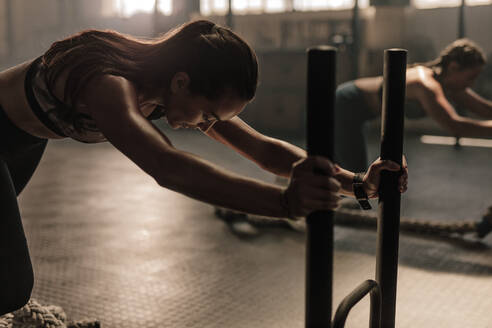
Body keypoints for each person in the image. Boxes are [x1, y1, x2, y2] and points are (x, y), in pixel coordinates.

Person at [0, 19, 408, 315]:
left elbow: (263, 150)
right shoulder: (111, 86)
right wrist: (283, 204)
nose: (204, 124)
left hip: (23, 142)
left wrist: (356, 183)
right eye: (207, 113)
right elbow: (166, 165)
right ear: (181, 81)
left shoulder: (168, 86)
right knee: (9, 288)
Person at [335, 38, 491, 172]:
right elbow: (454, 125)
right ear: (453, 67)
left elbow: (484, 109)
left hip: (360, 111)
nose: (472, 83)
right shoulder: (425, 84)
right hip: (345, 102)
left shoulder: (451, 84)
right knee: (353, 173)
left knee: (347, 169)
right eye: (471, 77)